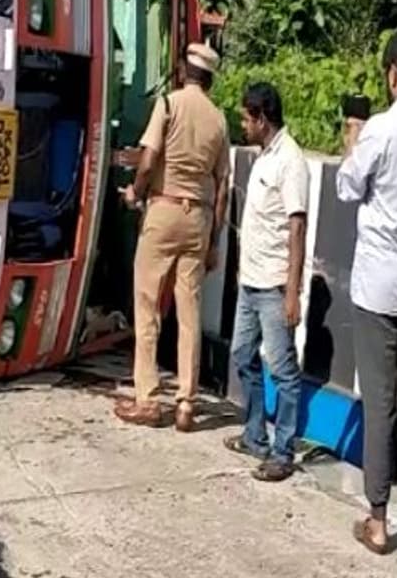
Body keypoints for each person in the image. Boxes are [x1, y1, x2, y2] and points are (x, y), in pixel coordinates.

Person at [114, 43, 229, 432]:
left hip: (163, 211)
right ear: (210, 78)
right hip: (199, 218)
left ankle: (148, 400)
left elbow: (148, 161)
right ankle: (186, 404)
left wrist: (135, 192)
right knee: (189, 313)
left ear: (183, 71)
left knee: (148, 306)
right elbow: (223, 185)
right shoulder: (219, 120)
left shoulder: (168, 104)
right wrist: (213, 238)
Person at [338, 27, 397, 555]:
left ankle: (380, 521)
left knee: (380, 406)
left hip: (379, 289)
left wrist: (351, 145)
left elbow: (346, 187)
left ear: (393, 74)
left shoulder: (381, 130)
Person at [223, 82, 309, 482]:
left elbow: (296, 226)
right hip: (250, 282)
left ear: (262, 118)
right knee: (242, 355)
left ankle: (283, 450)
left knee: (283, 370)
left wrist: (292, 291)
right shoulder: (263, 158)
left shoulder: (290, 161)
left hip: (274, 286)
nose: (242, 124)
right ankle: (255, 434)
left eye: (245, 117)